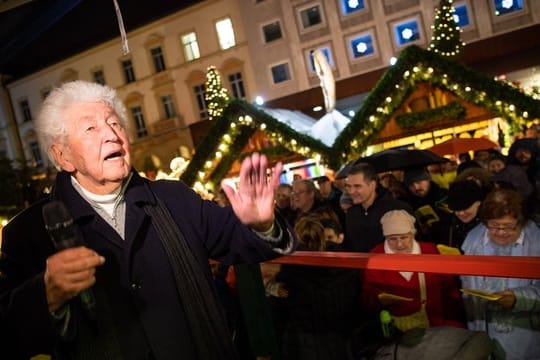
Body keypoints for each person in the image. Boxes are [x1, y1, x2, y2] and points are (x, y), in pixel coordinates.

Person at [0, 81, 296, 360]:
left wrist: (261, 224)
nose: (111, 135)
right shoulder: (27, 234)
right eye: (91, 128)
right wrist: (46, 295)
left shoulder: (175, 199)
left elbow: (242, 243)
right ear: (62, 155)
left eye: (115, 123)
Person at [460, 188, 540, 359]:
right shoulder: (473, 240)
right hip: (483, 326)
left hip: (524, 330)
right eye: (494, 226)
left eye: (508, 227)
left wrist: (518, 299)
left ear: (521, 221)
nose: (501, 232)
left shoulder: (536, 242)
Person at [362, 210, 465, 334]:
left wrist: (454, 326)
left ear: (413, 234)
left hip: (436, 326)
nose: (400, 245)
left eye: (404, 237)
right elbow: (367, 297)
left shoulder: (430, 252)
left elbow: (450, 292)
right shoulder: (376, 257)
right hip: (397, 331)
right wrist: (378, 299)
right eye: (392, 239)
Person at [344, 163, 412, 252]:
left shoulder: (397, 209)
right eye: (349, 187)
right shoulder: (351, 213)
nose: (351, 191)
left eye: (357, 186)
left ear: (372, 185)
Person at [400, 167, 451, 243]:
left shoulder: (445, 196)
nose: (416, 188)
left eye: (419, 182)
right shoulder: (406, 203)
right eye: (411, 185)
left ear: (428, 179)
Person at [444, 180, 485, 249]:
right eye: (456, 209)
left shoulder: (490, 226)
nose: (461, 213)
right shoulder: (449, 223)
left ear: (478, 203)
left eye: (465, 208)